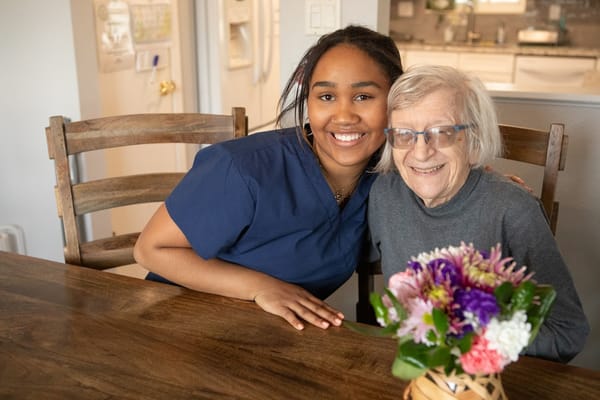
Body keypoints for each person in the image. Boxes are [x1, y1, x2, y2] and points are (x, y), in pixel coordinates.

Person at [133, 25, 403, 331]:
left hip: (274, 340)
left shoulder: (384, 181)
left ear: (396, 101)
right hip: (178, 327)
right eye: (326, 96)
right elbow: (149, 250)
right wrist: (259, 287)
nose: (343, 116)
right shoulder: (243, 168)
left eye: (363, 96)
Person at [367, 64, 589, 362]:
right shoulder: (384, 194)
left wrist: (473, 340)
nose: (420, 152)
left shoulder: (513, 210)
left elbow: (568, 332)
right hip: (411, 372)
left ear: (473, 143)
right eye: (404, 134)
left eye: (442, 132)